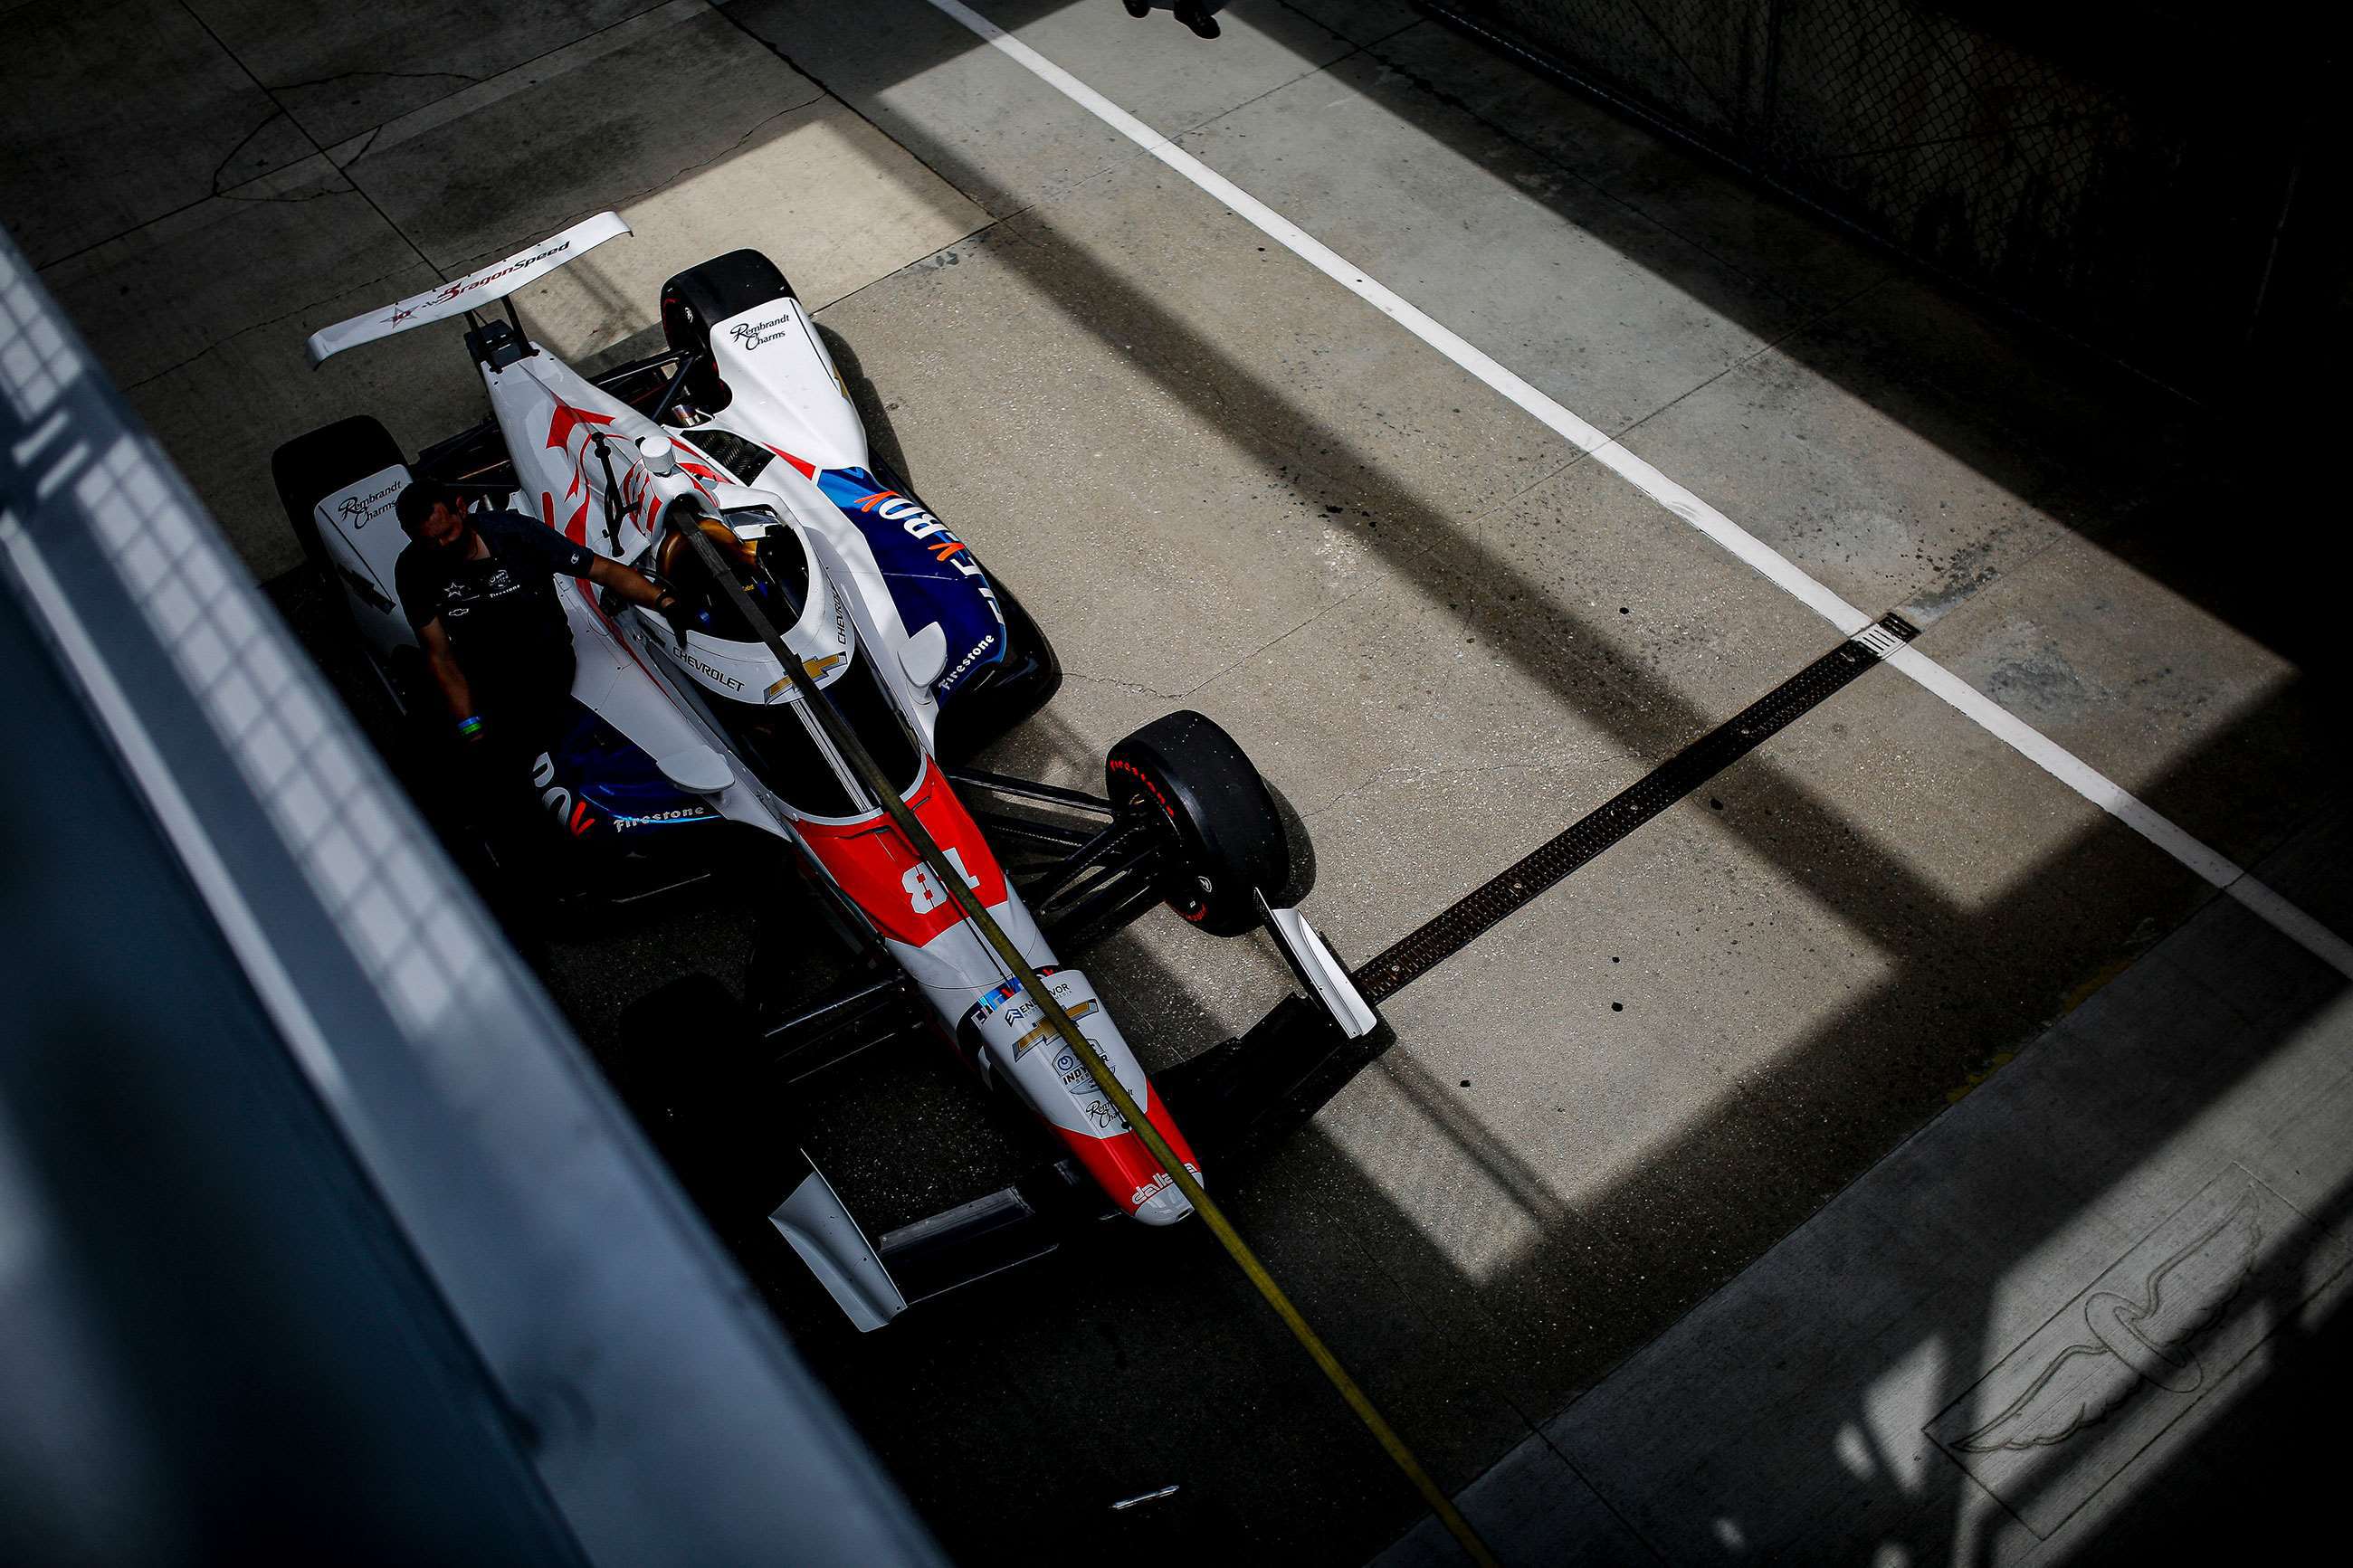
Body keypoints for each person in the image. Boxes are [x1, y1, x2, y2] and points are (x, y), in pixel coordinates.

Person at [392, 479, 681, 755]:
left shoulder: (517, 533)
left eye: (447, 534)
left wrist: (663, 600)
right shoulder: (412, 570)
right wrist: (469, 725)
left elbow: (603, 570)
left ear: (461, 508)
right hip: (489, 681)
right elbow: (440, 655)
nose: (441, 546)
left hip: (549, 665)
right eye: (429, 542)